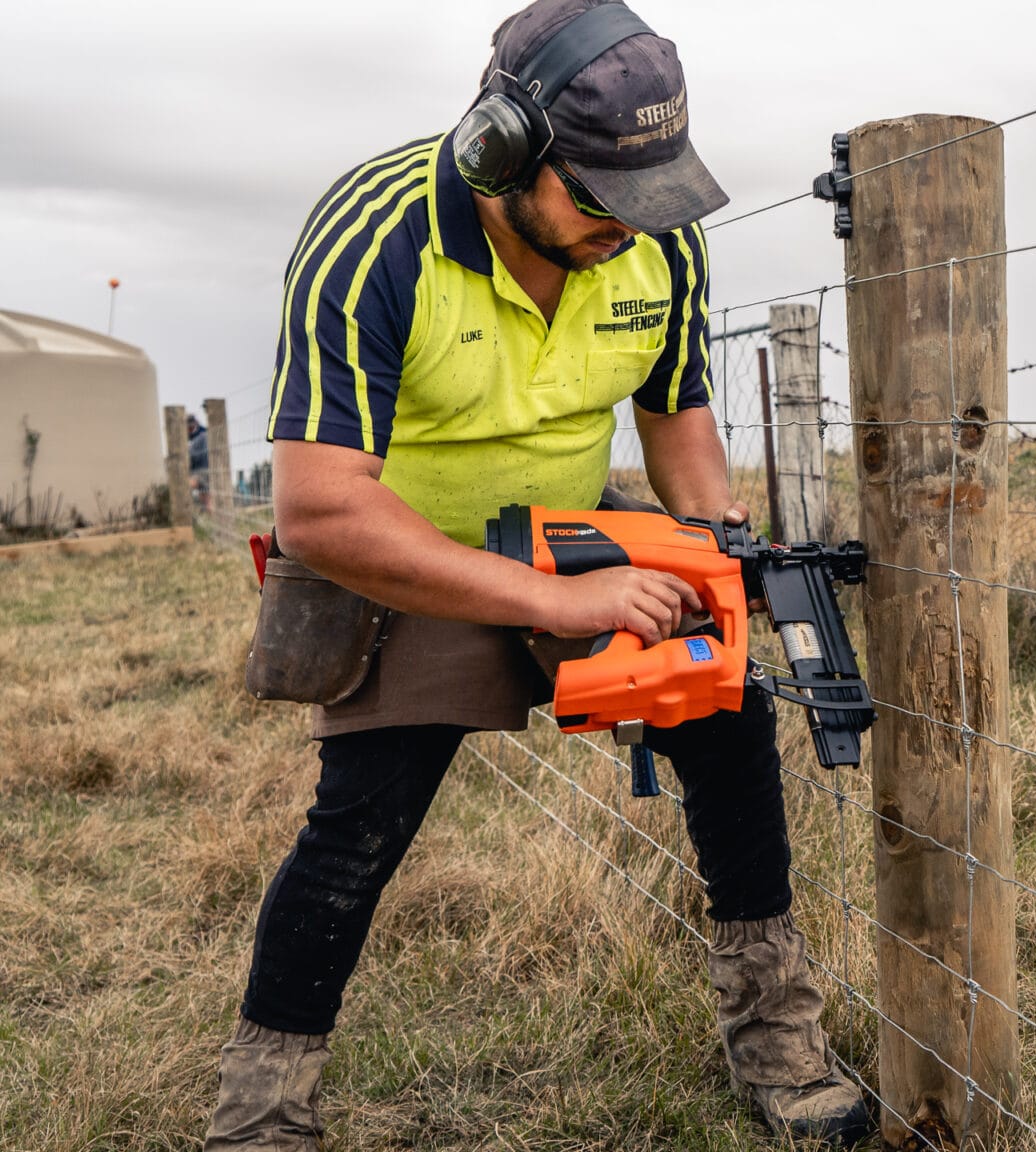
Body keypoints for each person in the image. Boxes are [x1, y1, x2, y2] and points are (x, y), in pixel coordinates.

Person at [202, 1, 871, 1147]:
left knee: (728, 714)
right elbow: (320, 509)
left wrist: (720, 547)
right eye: (602, 193)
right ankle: (261, 1110)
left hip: (574, 533)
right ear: (500, 151)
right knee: (360, 825)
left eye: (651, 194)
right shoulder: (377, 240)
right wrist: (558, 604)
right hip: (402, 552)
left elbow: (678, 422)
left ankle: (777, 1034)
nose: (630, 224)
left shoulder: (657, 238)